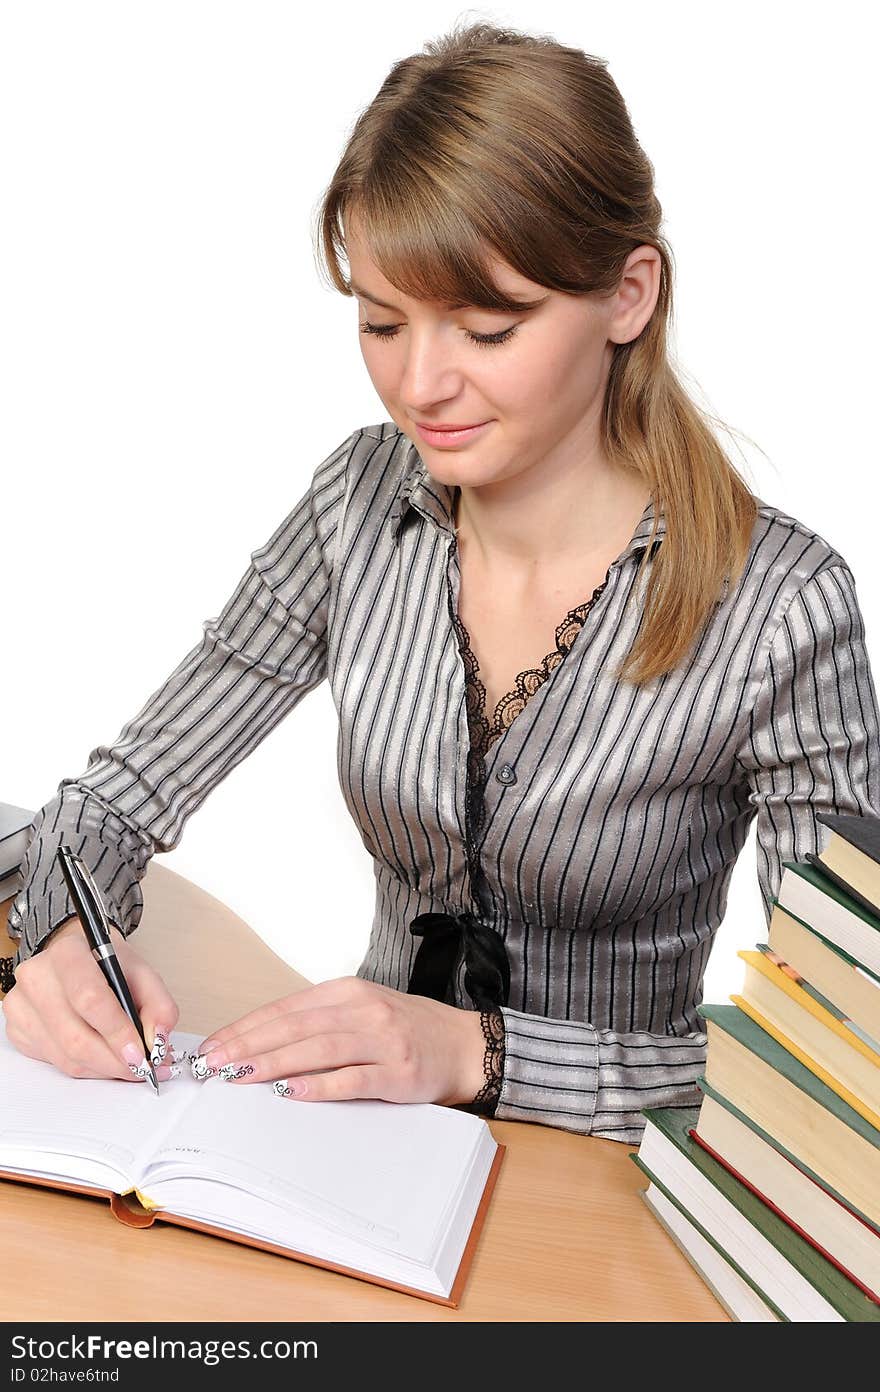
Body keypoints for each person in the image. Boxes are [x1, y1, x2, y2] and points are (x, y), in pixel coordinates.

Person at [3, 20, 879, 1143]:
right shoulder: (359, 503)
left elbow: (833, 1064)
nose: (418, 385)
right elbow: (120, 797)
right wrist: (62, 932)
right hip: (360, 1152)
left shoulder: (779, 609)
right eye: (380, 320)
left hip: (612, 1200)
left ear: (627, 296)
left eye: (485, 325)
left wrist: (483, 1055)